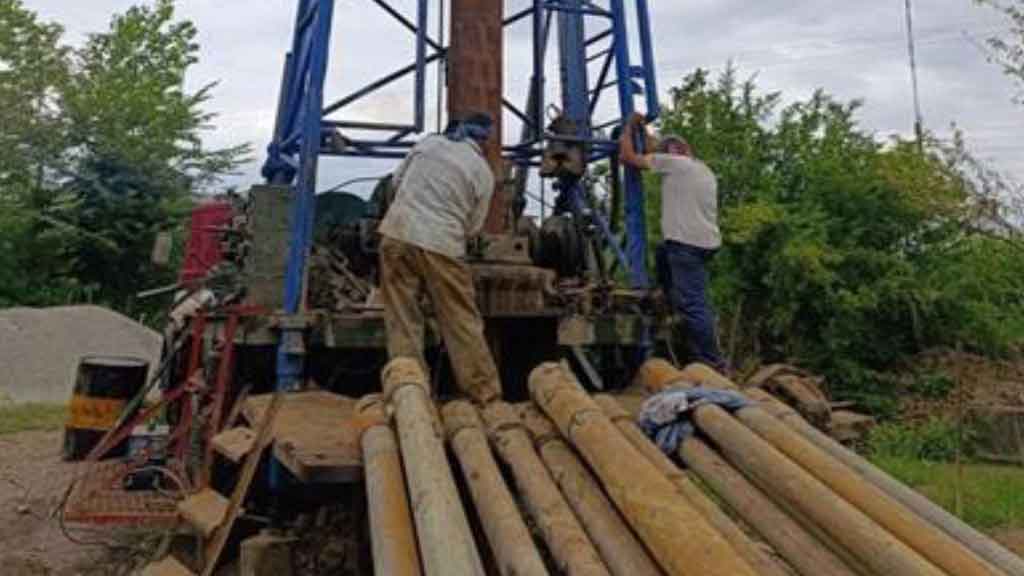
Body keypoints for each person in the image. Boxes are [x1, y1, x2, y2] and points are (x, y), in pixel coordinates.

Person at [377, 112, 502, 405]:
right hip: (441, 245)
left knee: (402, 317)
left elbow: (395, 184)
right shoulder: (482, 172)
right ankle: (485, 397)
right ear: (483, 140)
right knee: (460, 320)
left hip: (397, 234)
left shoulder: (427, 145)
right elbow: (472, 228)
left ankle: (409, 392)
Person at [619, 113, 727, 372]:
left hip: (686, 246)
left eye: (667, 150)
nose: (660, 152)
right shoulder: (701, 168)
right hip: (702, 243)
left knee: (694, 305)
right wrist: (642, 129)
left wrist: (627, 128)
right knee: (662, 254)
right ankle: (667, 300)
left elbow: (628, 158)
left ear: (676, 151)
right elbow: (654, 147)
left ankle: (713, 363)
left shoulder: (676, 164)